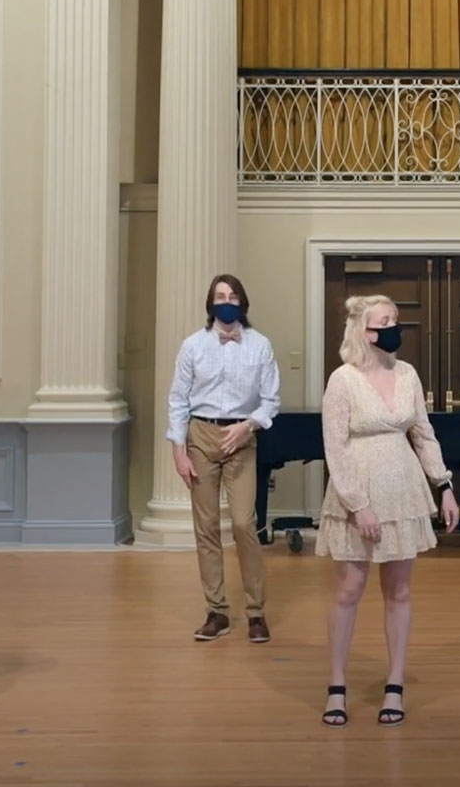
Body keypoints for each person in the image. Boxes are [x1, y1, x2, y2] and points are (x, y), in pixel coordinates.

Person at [315, 295, 460, 729]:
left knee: (398, 591)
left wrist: (444, 484)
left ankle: (394, 683)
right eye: (385, 321)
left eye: (396, 320)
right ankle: (337, 686)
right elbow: (335, 448)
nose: (394, 327)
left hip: (404, 490)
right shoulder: (342, 380)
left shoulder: (408, 374)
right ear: (364, 330)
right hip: (357, 490)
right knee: (349, 589)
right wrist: (357, 504)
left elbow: (423, 432)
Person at [167, 274, 282, 643]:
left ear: (243, 302)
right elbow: (178, 400)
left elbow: (271, 401)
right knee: (206, 527)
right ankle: (216, 611)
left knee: (245, 524)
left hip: (241, 438)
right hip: (200, 434)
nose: (226, 301)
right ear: (210, 303)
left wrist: (249, 426)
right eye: (220, 296)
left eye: (232, 296)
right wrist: (178, 450)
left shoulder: (261, 346)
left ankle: (256, 612)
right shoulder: (192, 346)